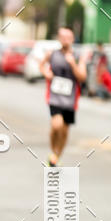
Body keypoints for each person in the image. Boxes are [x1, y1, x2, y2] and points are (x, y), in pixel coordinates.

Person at [40, 27, 87, 167]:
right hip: (54, 97)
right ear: (59, 38)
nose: (65, 40)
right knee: (56, 125)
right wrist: (46, 73)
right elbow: (41, 65)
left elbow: (82, 77)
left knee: (65, 131)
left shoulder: (78, 56)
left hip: (70, 100)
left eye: (68, 37)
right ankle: (53, 151)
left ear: (72, 39)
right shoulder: (52, 54)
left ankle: (56, 156)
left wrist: (73, 64)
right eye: (62, 37)